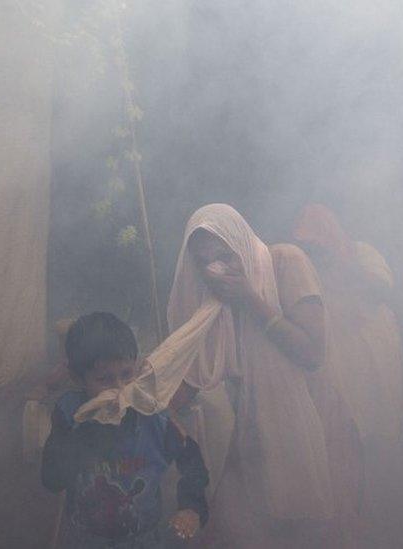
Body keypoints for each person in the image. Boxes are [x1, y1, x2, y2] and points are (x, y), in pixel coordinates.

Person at [166, 204, 360, 548]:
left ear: (241, 241)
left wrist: (249, 298)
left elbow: (312, 353)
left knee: (311, 532)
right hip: (251, 431)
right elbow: (200, 370)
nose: (216, 268)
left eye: (225, 255)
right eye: (204, 261)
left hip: (315, 425)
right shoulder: (214, 297)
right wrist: (140, 401)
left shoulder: (285, 261)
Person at [41, 312, 209, 548]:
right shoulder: (70, 415)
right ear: (78, 378)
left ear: (137, 367)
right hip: (85, 539)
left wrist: (191, 506)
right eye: (104, 379)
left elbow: (191, 462)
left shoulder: (152, 413)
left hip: (143, 538)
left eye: (126, 375)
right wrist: (87, 433)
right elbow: (51, 480)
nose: (120, 389)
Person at [292, 204, 403, 515]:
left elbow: (382, 287)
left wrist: (341, 262)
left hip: (374, 356)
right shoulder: (305, 267)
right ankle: (350, 512)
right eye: (308, 243)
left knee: (380, 429)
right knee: (343, 435)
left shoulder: (361, 252)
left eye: (318, 240)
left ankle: (390, 503)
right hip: (336, 361)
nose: (314, 247)